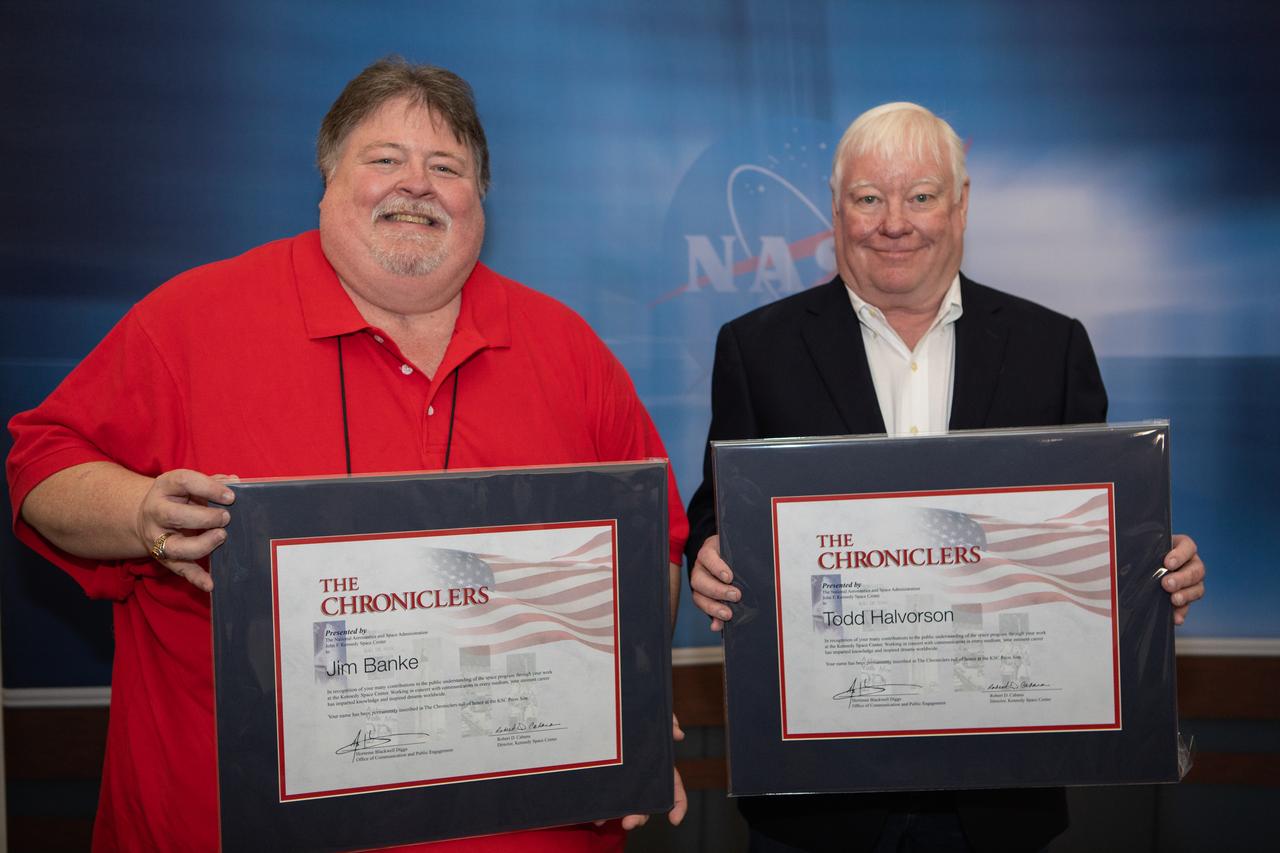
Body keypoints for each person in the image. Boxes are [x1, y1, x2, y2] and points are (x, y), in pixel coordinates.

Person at [8, 58, 687, 852]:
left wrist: (629, 698)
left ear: (481, 200)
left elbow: (652, 547)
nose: (417, 184)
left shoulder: (568, 349)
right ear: (328, 181)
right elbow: (39, 464)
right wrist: (139, 512)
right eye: (384, 159)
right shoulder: (192, 321)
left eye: (447, 167)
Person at [685, 102, 1206, 853]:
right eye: (869, 198)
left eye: (921, 196)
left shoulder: (1051, 348)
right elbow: (717, 514)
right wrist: (706, 554)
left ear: (961, 209)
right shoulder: (755, 350)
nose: (895, 221)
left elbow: (1103, 536)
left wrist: (1157, 567)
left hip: (997, 799)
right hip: (818, 796)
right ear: (836, 213)